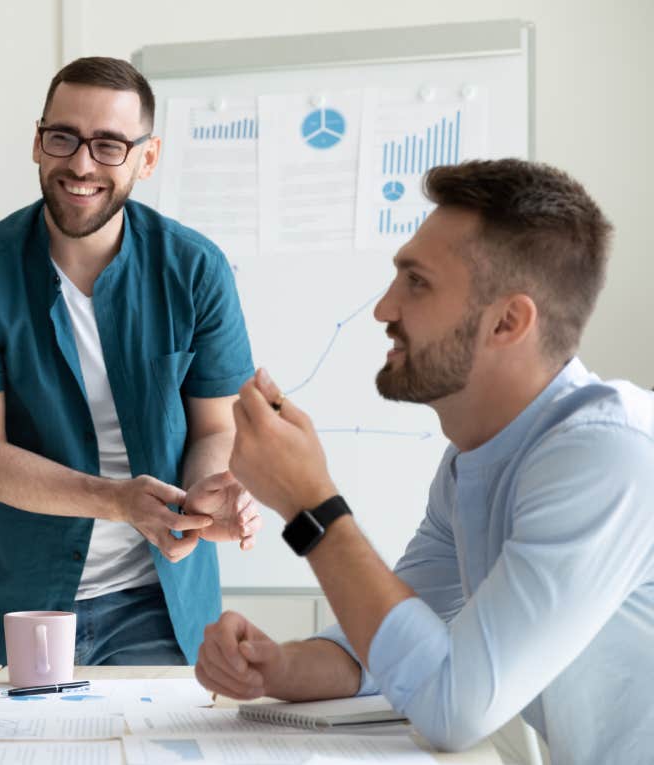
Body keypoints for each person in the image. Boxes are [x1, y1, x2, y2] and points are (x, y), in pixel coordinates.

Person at [197, 159, 654, 763]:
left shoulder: (607, 454)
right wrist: (279, 668)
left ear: (508, 322)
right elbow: (396, 643)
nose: (384, 309)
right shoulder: (475, 461)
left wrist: (310, 504)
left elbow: (450, 707)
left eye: (416, 282)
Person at [0, 57, 261, 667]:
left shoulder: (196, 269)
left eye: (109, 145)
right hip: (21, 604)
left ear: (146, 159)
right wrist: (119, 501)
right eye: (63, 138)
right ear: (37, 142)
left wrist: (202, 499)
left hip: (158, 599)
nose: (80, 163)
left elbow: (217, 427)